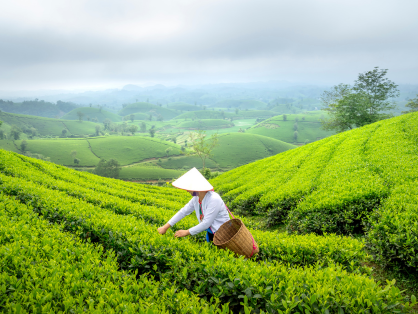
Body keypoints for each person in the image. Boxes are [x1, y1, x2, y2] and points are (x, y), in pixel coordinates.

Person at [157, 167, 230, 242]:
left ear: (197, 187)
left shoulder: (214, 199)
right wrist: (165, 227)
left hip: (225, 235)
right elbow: (183, 212)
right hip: (212, 233)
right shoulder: (196, 198)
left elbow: (206, 223)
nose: (187, 190)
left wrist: (186, 232)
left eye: (189, 188)